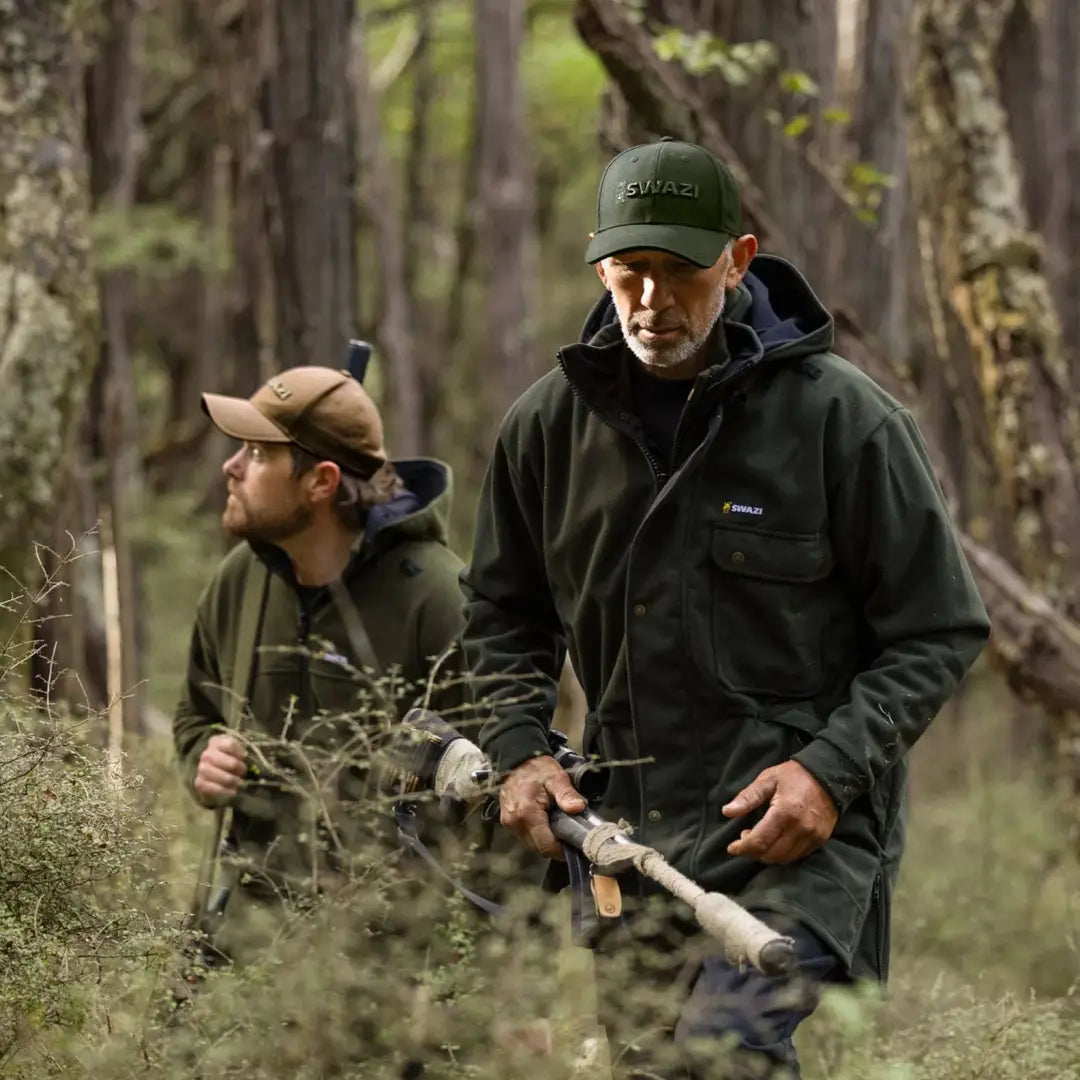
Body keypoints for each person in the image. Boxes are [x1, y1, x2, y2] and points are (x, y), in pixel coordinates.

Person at [460, 138, 990, 1078]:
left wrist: (828, 771)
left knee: (721, 1054)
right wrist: (519, 750)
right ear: (598, 263)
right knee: (646, 1063)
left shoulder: (844, 421)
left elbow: (937, 627)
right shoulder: (546, 427)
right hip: (627, 839)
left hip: (798, 839)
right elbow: (504, 613)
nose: (652, 299)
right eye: (630, 270)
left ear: (739, 260)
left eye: (680, 270)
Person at [173, 364, 467, 968]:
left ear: (321, 482)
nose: (231, 467)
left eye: (258, 453)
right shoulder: (239, 583)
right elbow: (196, 714)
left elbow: (498, 800)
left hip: (398, 965)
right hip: (251, 951)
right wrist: (204, 756)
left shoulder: (440, 600)